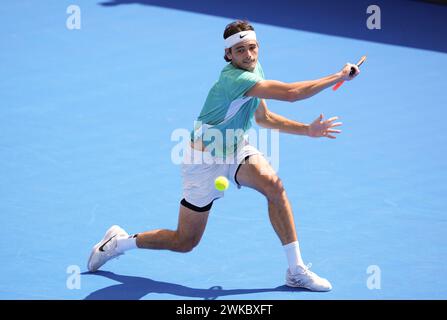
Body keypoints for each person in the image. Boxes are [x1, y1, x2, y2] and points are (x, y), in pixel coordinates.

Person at [87, 20, 360, 292]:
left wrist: (307, 130)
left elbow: (263, 118)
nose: (249, 55)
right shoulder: (235, 79)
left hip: (235, 149)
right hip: (202, 162)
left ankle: (296, 270)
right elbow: (290, 94)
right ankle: (118, 243)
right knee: (185, 241)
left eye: (252, 48)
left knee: (274, 186)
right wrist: (337, 76)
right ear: (228, 55)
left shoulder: (254, 69)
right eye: (240, 50)